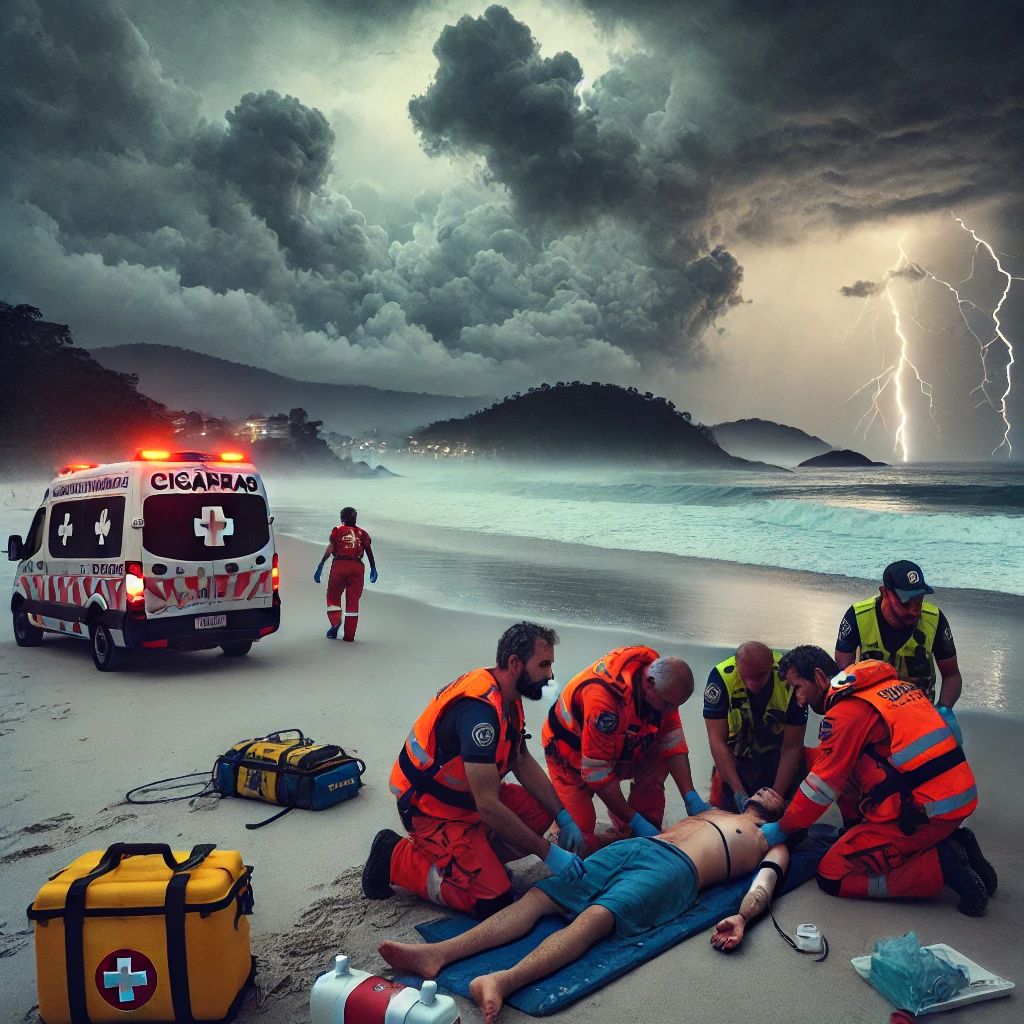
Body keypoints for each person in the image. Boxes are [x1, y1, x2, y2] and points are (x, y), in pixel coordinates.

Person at [379, 789, 789, 1024]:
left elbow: (765, 882)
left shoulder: (771, 839)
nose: (769, 790)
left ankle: (503, 981)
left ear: (784, 812)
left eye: (778, 794)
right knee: (542, 895)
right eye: (765, 787)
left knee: (596, 918)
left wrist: (743, 915)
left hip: (677, 874)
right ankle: (437, 955)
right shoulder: (714, 810)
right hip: (637, 848)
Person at [363, 622, 588, 918]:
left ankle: (477, 858)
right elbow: (489, 808)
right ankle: (394, 856)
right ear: (515, 664)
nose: (550, 675)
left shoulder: (507, 696)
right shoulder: (479, 713)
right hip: (432, 809)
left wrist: (563, 816)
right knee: (492, 900)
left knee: (542, 812)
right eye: (543, 665)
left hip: (469, 798)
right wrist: (547, 853)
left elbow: (520, 759)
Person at [759, 646, 996, 916]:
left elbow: (820, 788)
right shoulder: (891, 688)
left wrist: (784, 827)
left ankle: (940, 863)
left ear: (819, 676)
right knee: (833, 764)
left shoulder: (846, 713)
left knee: (832, 874)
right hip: (953, 799)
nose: (799, 699)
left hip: (925, 813)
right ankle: (956, 842)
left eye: (798, 687)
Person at [541, 645, 706, 854]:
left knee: (658, 760)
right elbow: (597, 776)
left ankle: (628, 827)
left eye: (676, 706)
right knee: (579, 842)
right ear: (650, 685)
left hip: (620, 746)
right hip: (569, 757)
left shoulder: (656, 677)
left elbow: (672, 738)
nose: (671, 711)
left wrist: (690, 795)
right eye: (667, 705)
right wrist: (635, 821)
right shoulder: (604, 701)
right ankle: (565, 830)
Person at [834, 559, 962, 709]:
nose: (915, 610)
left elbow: (952, 675)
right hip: (872, 713)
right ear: (885, 593)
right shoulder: (857, 617)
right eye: (906, 603)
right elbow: (842, 675)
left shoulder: (934, 619)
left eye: (919, 601)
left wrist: (944, 710)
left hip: (920, 715)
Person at [703, 641, 809, 811]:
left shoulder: (790, 680)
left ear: (771, 667)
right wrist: (739, 793)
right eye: (746, 678)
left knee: (784, 818)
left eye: (758, 677)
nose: (752, 685)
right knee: (725, 814)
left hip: (779, 758)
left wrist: (775, 797)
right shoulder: (721, 678)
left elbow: (792, 747)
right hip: (736, 761)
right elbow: (716, 740)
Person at [313, 506, 377, 641]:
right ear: (355, 518)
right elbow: (369, 552)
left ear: (342, 519)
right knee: (353, 601)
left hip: (340, 566)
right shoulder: (362, 533)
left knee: (333, 596)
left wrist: (321, 564)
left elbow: (331, 548)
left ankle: (335, 622)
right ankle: (349, 636)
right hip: (357, 567)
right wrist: (373, 568)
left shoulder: (338, 531)